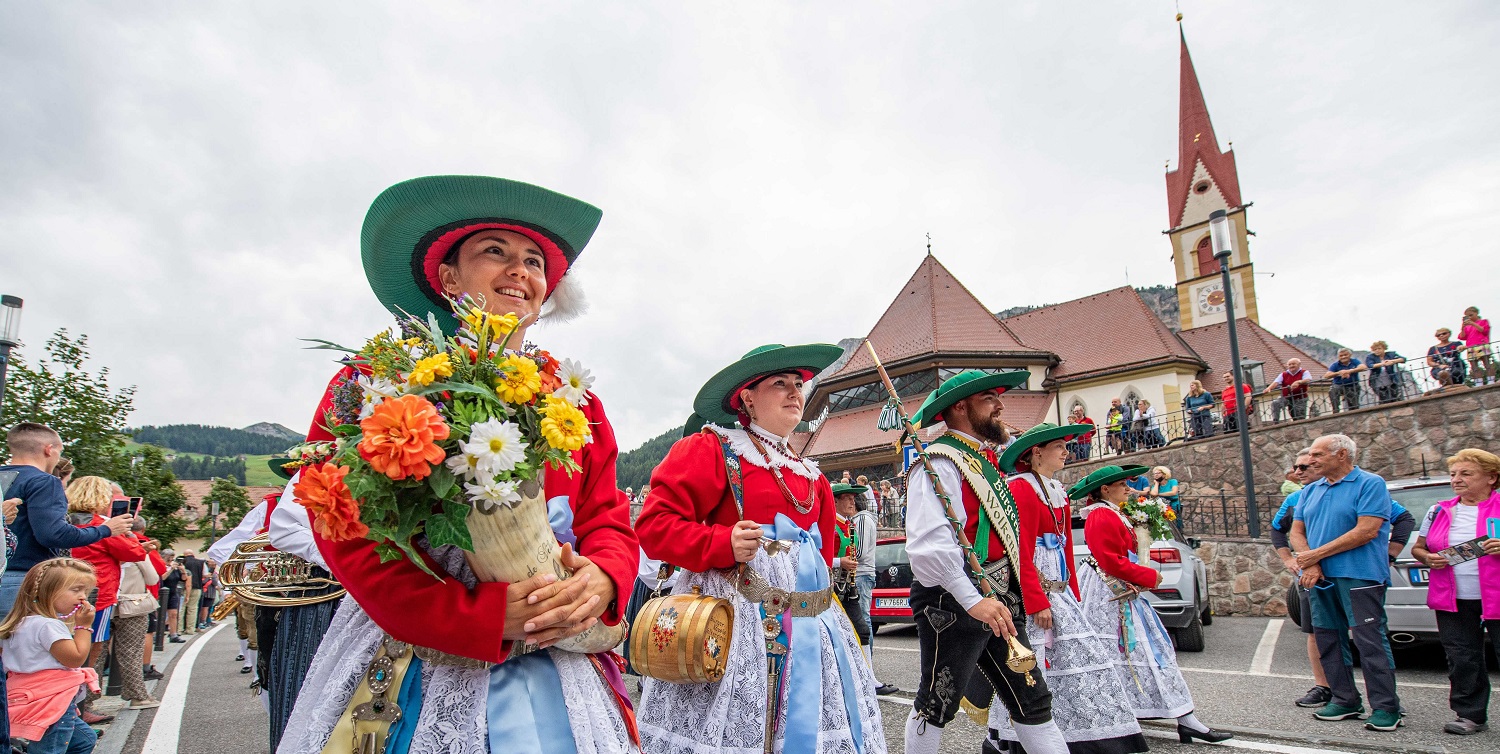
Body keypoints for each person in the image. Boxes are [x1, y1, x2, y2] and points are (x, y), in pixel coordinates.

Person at [277, 176, 640, 754]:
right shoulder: (373, 383)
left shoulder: (577, 400)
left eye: (533, 261)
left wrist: (604, 578)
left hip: (557, 650)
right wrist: (477, 615)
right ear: (448, 277)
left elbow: (606, 515)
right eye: (494, 251)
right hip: (419, 651)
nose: (519, 271)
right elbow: (346, 532)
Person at [635, 343, 884, 753]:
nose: (795, 392)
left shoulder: (815, 478)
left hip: (810, 623)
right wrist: (721, 542)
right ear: (747, 398)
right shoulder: (715, 449)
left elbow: (821, 558)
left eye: (799, 384)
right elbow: (654, 526)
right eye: (779, 383)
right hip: (732, 623)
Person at [899, 370, 1068, 754]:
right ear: (961, 406)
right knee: (937, 701)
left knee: (1031, 697)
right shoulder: (940, 462)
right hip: (953, 600)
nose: (1000, 405)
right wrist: (972, 599)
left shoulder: (982, 461)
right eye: (989, 398)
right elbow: (929, 548)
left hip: (999, 598)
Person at [986, 424, 1147, 754]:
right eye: (1058, 445)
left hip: (1058, 591)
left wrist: (1071, 590)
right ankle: (1012, 738)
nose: (1066, 451)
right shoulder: (1021, 487)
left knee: (1071, 662)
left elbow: (1063, 547)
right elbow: (1020, 548)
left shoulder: (1054, 488)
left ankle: (1080, 734)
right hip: (1039, 592)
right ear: (1036, 453)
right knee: (1033, 664)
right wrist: (1035, 600)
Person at [1071, 465, 1231, 744]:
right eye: (1122, 485)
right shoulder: (1100, 515)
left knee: (1149, 651)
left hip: (1120, 591)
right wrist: (1148, 575)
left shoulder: (1113, 513)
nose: (1128, 489)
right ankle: (1140, 719)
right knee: (1132, 652)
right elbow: (1109, 559)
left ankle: (1182, 717)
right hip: (1109, 594)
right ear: (1105, 490)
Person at [1289, 434, 1402, 731]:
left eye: (1317, 454)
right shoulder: (1310, 490)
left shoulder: (1370, 483)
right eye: (1310, 455)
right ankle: (1344, 699)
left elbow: (1366, 531)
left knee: (1369, 642)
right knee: (1328, 638)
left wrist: (1315, 556)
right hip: (1320, 577)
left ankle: (1386, 708)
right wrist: (1311, 562)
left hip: (1360, 575)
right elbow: (1296, 532)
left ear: (1341, 455)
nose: (1310, 460)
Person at [1410, 448, 1500, 736]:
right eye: (1453, 474)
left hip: (1497, 595)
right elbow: (1419, 547)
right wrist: (1426, 558)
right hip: (1453, 597)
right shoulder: (1439, 510)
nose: (1456, 480)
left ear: (1491, 477)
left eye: (1466, 474)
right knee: (1462, 657)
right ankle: (1470, 715)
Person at [64, 478, 146, 724]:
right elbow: (136, 552)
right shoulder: (101, 525)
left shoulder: (66, 521)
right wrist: (128, 531)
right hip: (98, 596)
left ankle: (70, 706)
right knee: (91, 651)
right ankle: (81, 707)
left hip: (64, 593)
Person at [0, 558, 101, 754]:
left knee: (85, 740)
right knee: (50, 749)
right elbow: (75, 658)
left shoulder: (18, 623)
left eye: (86, 592)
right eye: (76, 590)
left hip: (26, 696)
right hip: (53, 701)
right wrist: (84, 626)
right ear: (47, 590)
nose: (83, 598)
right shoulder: (48, 625)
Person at [1271, 450, 1331, 708]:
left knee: (1364, 635)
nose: (1298, 472)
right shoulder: (1296, 498)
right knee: (1316, 632)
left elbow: (1402, 519)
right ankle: (1323, 686)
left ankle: (1382, 697)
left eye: (1305, 467)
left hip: (1349, 573)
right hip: (1310, 576)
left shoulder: (1359, 488)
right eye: (1296, 467)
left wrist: (1390, 554)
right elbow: (1277, 530)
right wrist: (1289, 560)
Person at [112, 535, 161, 709]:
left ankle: (85, 701)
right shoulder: (134, 548)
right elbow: (152, 578)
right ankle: (137, 695)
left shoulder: (101, 541)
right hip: (132, 603)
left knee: (98, 652)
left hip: (105, 601)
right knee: (131, 652)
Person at [1323, 348, 1366, 414]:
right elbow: (1326, 375)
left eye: (1345, 355)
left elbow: (1363, 367)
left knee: (1354, 406)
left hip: (1352, 385)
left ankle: (1354, 412)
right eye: (1341, 355)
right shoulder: (1335, 365)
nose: (1343, 357)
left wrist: (1349, 371)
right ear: (1338, 357)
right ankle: (1336, 410)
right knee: (1333, 390)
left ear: (1350, 355)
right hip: (1339, 385)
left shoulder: (1354, 361)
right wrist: (1338, 373)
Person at [1459, 307, 1492, 385]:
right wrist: (1463, 327)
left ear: (1476, 313)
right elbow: (1462, 336)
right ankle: (1478, 382)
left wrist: (1473, 323)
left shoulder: (1484, 321)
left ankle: (1491, 380)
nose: (1469, 318)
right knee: (1474, 366)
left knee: (1487, 364)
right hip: (1471, 347)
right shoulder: (1467, 326)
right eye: (1468, 316)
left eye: (1471, 315)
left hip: (1482, 344)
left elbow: (1484, 330)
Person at [160, 554, 186, 644]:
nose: (171, 560)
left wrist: (183, 571)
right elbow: (162, 578)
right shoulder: (162, 567)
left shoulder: (176, 569)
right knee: (160, 614)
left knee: (174, 614)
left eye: (172, 559)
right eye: (168, 559)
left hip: (173, 592)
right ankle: (157, 634)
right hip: (162, 593)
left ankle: (173, 634)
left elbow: (183, 579)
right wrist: (170, 569)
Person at [177, 549, 204, 636]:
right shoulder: (200, 562)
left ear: (185, 554)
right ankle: (190, 629)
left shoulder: (183, 561)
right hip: (197, 587)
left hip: (184, 587)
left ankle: (179, 629)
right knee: (193, 609)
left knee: (182, 608)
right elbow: (204, 574)